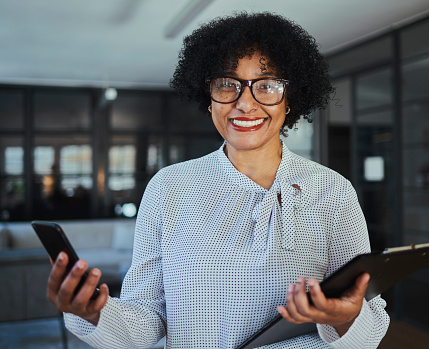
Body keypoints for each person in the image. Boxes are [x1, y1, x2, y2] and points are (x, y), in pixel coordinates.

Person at [47, 12, 390, 348]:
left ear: (291, 100)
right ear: (209, 99)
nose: (245, 103)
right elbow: (147, 320)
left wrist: (343, 318)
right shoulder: (168, 187)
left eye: (267, 85)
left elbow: (370, 324)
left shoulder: (333, 191)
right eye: (228, 84)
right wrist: (92, 313)